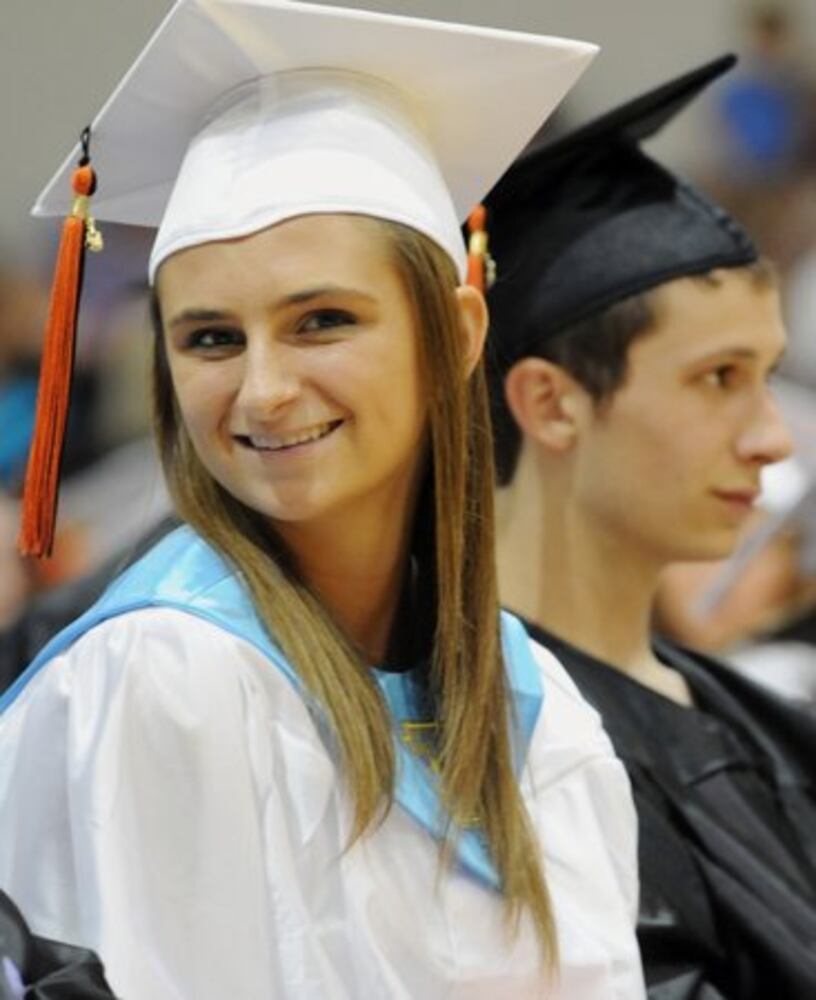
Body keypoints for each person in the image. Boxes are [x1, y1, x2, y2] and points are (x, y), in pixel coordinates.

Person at [0, 2, 646, 998]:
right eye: (211, 338)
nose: (261, 391)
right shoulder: (167, 675)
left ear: (458, 332)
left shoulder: (536, 705)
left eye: (322, 321)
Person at [483, 56, 816, 999]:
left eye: (768, 375)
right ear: (551, 404)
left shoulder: (761, 725)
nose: (768, 441)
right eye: (719, 378)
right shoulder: (489, 758)